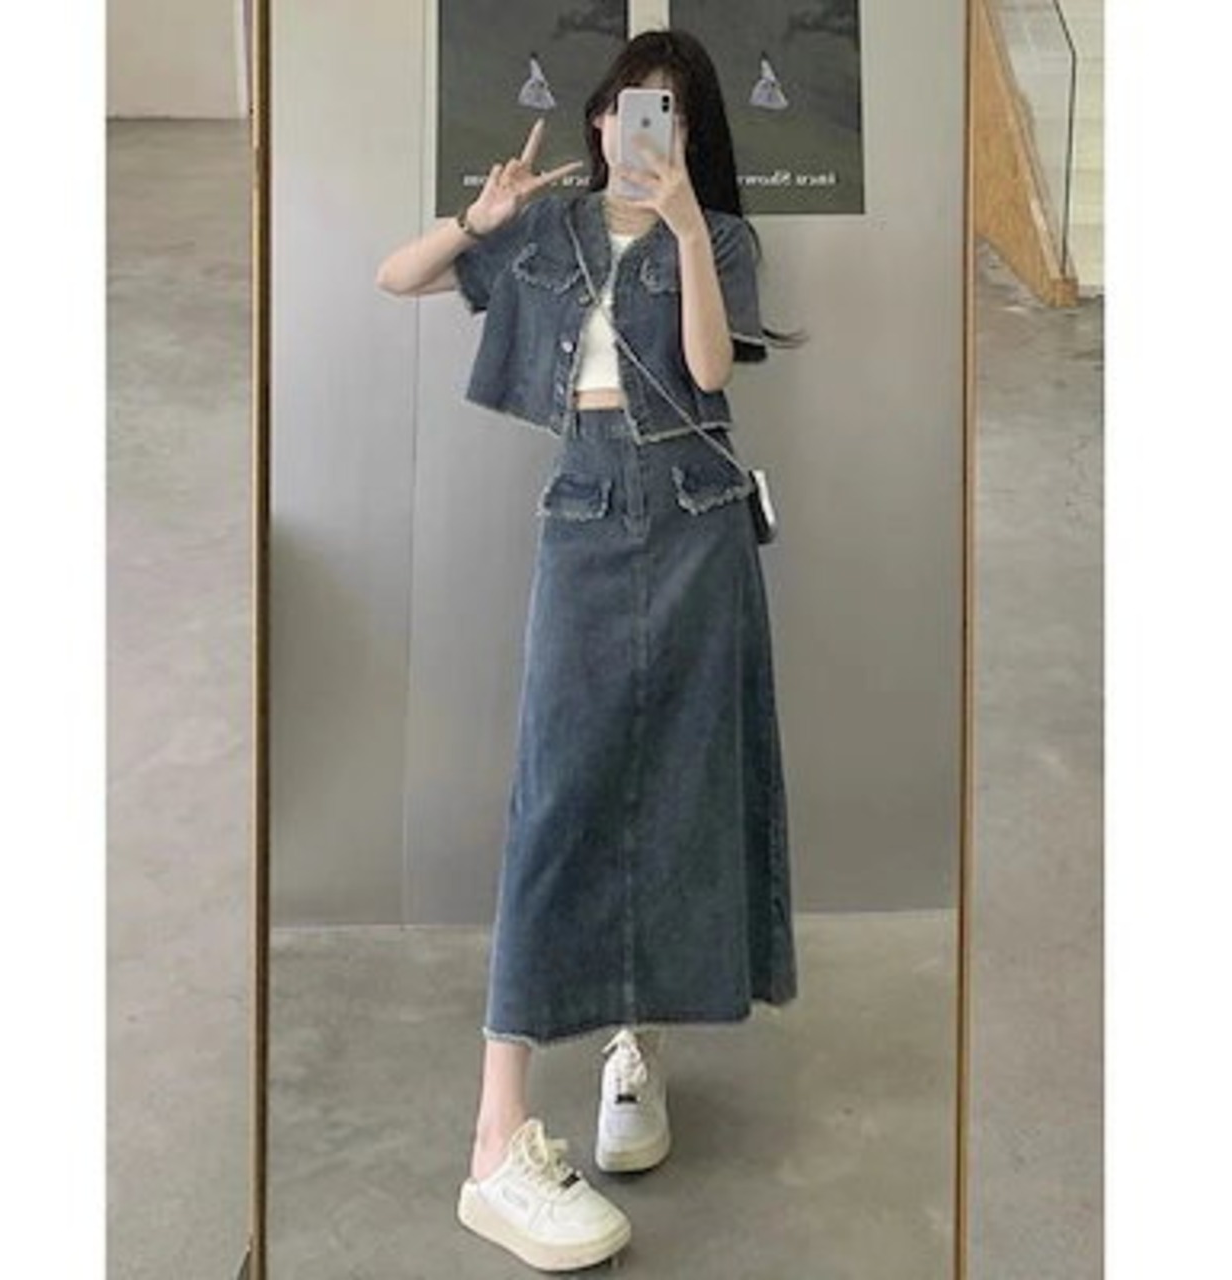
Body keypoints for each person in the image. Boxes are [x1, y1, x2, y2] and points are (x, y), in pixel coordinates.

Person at [376, 28, 801, 1273]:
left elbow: (711, 370)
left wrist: (684, 230)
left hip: (698, 520)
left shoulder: (720, 238)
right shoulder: (548, 229)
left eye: (667, 111)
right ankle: (495, 1136)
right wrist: (478, 218)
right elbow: (395, 277)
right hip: (585, 510)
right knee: (557, 799)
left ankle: (635, 1045)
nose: (637, 129)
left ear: (687, 134)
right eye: (625, 107)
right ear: (598, 122)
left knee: (677, 790)